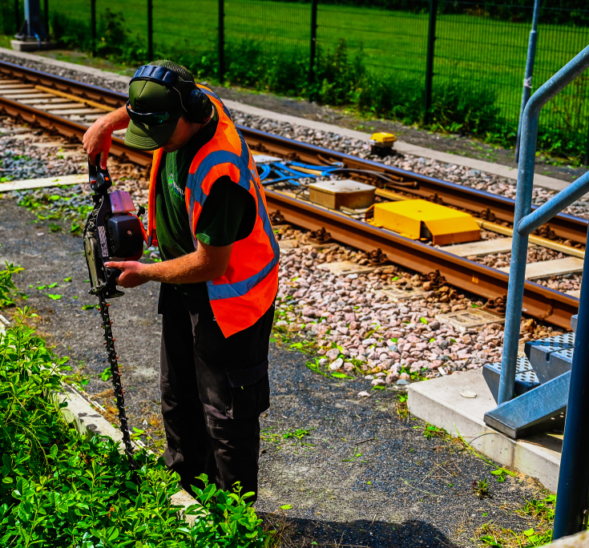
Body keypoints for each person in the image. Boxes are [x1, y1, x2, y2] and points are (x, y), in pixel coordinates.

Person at [83, 60, 279, 501]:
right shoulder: (194, 99)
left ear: (187, 117)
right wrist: (109, 122)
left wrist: (145, 273)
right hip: (183, 285)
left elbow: (212, 264)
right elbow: (168, 88)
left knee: (226, 415)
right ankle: (185, 494)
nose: (154, 146)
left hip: (230, 302)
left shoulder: (220, 171)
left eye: (160, 135)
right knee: (177, 397)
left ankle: (233, 521)